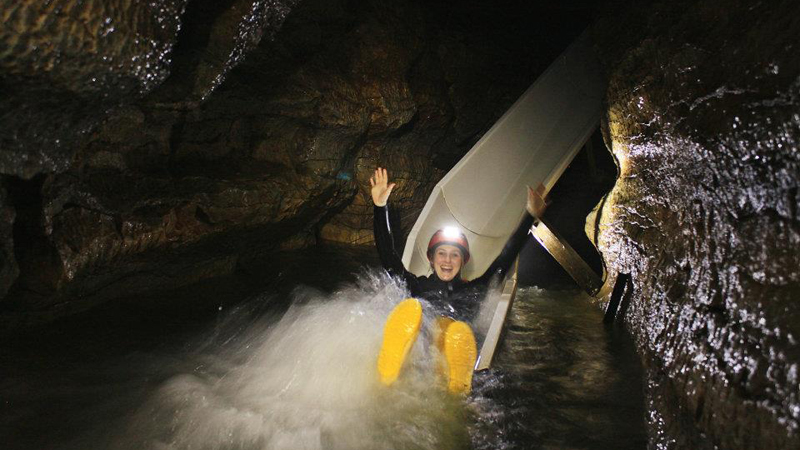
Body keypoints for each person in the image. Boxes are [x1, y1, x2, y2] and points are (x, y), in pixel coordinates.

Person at [370, 167, 547, 394]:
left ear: (462, 262)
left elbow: (505, 259)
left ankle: (456, 379)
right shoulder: (416, 285)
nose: (447, 260)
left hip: (451, 350)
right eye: (441, 253)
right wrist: (380, 208)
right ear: (431, 259)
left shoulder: (475, 289)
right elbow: (388, 256)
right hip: (420, 349)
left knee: (455, 331)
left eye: (455, 255)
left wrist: (529, 216)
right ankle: (392, 367)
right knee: (412, 309)